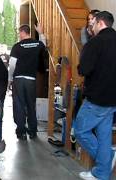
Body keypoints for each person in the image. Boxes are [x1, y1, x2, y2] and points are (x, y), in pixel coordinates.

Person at [75, 11, 116, 180]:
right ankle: (101, 174)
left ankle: (107, 159)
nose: (91, 26)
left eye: (93, 23)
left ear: (100, 23)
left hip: (97, 99)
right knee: (103, 135)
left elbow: (83, 69)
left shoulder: (95, 42)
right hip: (113, 99)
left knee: (80, 131)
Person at [8, 24, 47, 140]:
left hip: (19, 79)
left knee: (19, 105)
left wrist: (10, 79)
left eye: (19, 33)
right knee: (31, 105)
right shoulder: (37, 44)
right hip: (31, 80)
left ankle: (22, 133)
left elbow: (12, 64)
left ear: (22, 32)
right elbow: (44, 47)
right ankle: (33, 131)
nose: (19, 35)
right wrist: (40, 33)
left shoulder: (17, 46)